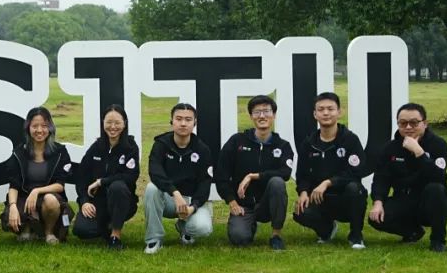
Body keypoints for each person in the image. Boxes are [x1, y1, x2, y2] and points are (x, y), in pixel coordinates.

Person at [368, 103, 447, 252]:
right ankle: (412, 232)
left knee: (436, 189)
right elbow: (381, 178)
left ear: (425, 123)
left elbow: (438, 176)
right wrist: (378, 202)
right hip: (404, 199)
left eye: (414, 123)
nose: (408, 127)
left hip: (429, 201)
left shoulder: (438, 145)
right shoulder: (390, 148)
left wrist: (419, 153)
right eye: (403, 123)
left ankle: (438, 240)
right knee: (376, 218)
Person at [216, 95, 294, 251]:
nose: (262, 116)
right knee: (239, 238)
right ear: (251, 116)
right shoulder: (236, 141)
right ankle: (248, 225)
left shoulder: (283, 145)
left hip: (267, 204)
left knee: (277, 182)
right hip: (243, 204)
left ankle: (276, 235)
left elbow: (285, 173)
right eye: (257, 112)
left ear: (274, 115)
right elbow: (221, 175)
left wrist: (253, 176)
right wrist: (232, 202)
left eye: (267, 111)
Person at [292, 92, 368, 249]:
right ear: (315, 114)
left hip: (345, 197)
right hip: (320, 198)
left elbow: (356, 172)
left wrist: (328, 182)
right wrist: (303, 192)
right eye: (321, 109)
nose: (326, 113)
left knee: (355, 188)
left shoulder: (350, 140)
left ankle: (356, 236)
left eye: (330, 109)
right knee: (300, 212)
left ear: (339, 112)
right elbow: (302, 174)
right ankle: (327, 230)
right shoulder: (308, 143)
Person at [0, 107, 77, 245]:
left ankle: (49, 233)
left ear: (50, 128)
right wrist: (12, 206)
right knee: (13, 214)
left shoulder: (60, 152)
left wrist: (37, 191)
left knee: (50, 200)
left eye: (44, 126)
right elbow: (14, 185)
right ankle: (28, 228)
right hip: (24, 198)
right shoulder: (19, 152)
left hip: (49, 198)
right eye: (35, 126)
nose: (39, 130)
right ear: (28, 128)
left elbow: (60, 185)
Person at [143, 103, 214, 254]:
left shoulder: (203, 149)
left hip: (190, 201)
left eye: (188, 120)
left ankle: (184, 227)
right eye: (179, 119)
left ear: (194, 123)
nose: (183, 123)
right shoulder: (161, 145)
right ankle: (154, 239)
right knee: (151, 188)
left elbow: (204, 184)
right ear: (172, 121)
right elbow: (155, 173)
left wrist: (193, 207)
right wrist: (174, 193)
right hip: (169, 199)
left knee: (203, 228)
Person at [72, 104, 139, 250]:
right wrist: (84, 202)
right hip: (98, 202)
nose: (113, 127)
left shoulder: (130, 147)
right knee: (82, 230)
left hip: (122, 200)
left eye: (117, 123)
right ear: (103, 123)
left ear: (124, 124)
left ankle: (115, 235)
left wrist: (102, 182)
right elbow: (81, 177)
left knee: (117, 186)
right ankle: (106, 226)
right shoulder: (96, 147)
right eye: (109, 122)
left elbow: (131, 176)